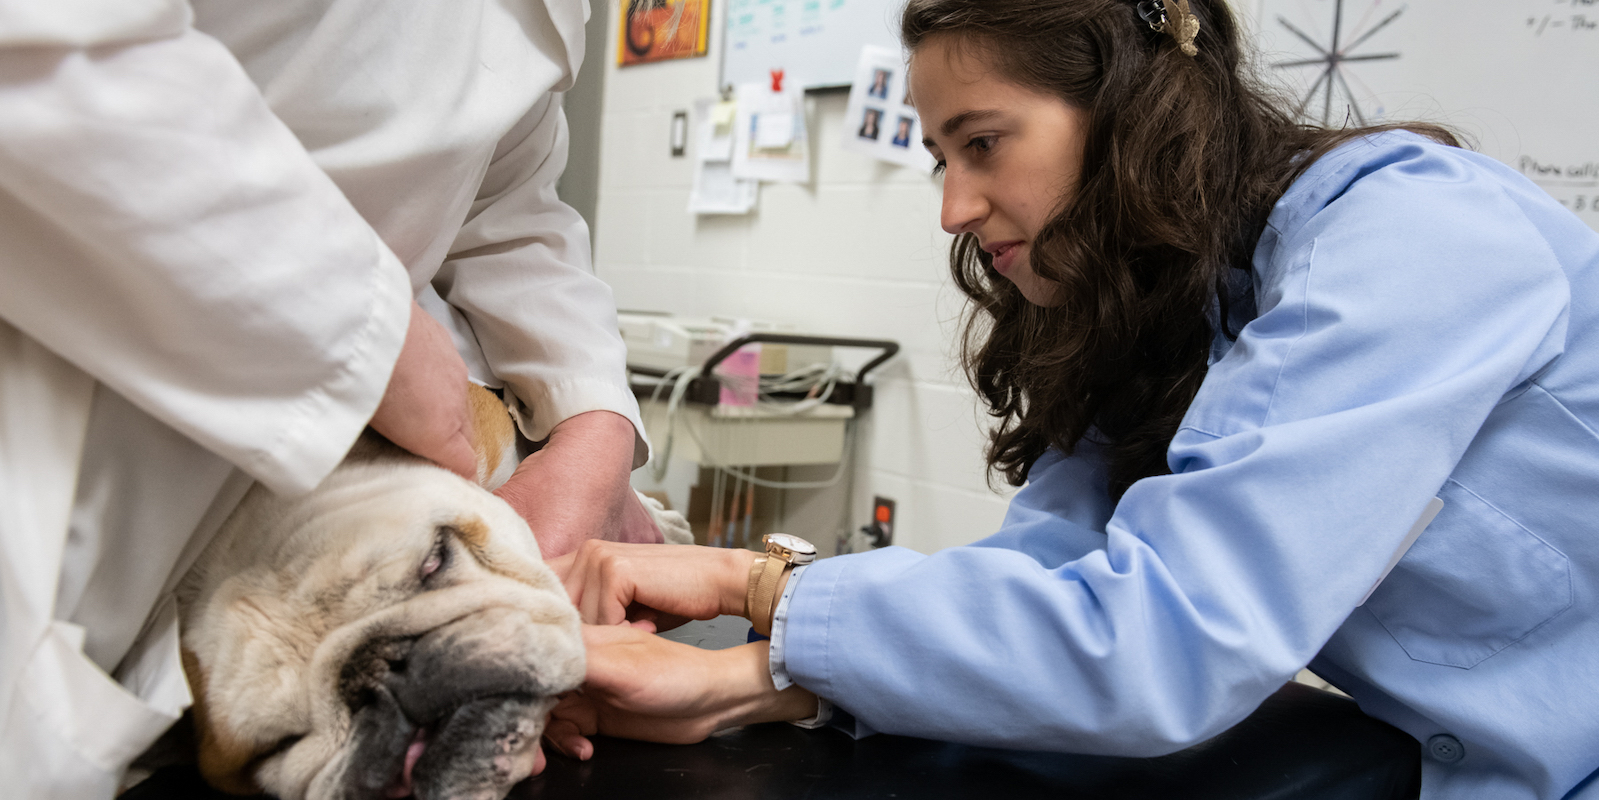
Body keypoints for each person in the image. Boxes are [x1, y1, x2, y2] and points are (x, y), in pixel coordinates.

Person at [546, 0, 1599, 798]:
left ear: (1131, 109)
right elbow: (1045, 575)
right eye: (940, 158)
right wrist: (765, 683)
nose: (955, 206)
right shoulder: (1170, 302)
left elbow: (1164, 637)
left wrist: (752, 582)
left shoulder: (1415, 243)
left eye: (984, 141)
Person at [0, 0, 657, 793]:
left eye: (430, 572)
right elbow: (40, 53)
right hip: (68, 474)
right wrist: (364, 334)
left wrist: (593, 421)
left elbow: (501, 194)